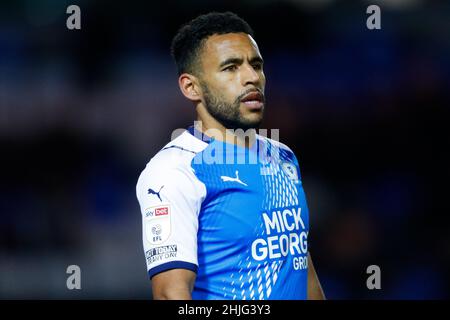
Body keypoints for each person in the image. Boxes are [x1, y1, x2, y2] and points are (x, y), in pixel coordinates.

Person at [136, 11, 325, 300]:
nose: (252, 77)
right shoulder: (173, 171)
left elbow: (300, 262)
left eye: (256, 65)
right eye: (231, 68)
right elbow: (170, 294)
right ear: (191, 87)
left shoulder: (283, 157)